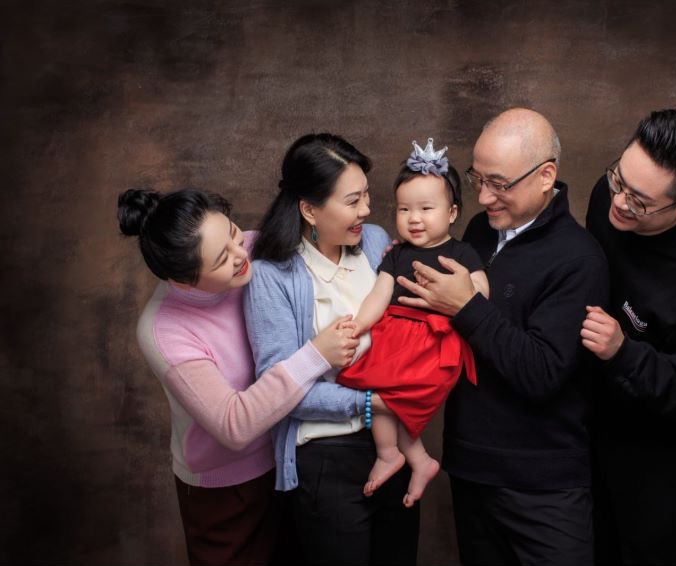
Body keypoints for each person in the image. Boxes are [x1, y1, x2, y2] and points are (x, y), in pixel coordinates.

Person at [395, 108, 609, 565]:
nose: (484, 196)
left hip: (544, 486)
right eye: (478, 179)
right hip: (471, 469)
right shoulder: (478, 230)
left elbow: (542, 372)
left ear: (546, 176)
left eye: (499, 183)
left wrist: (466, 306)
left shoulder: (579, 259)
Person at [118, 188, 359, 565]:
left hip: (293, 453)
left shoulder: (254, 245)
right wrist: (315, 356)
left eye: (232, 232)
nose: (241, 253)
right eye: (221, 259)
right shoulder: (163, 330)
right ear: (182, 280)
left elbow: (331, 245)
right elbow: (234, 425)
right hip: (227, 490)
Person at [243, 133, 419, 565]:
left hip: (395, 444)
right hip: (327, 458)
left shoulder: (375, 241)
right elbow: (277, 391)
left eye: (366, 196)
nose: (366, 210)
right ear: (309, 209)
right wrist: (370, 402)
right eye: (352, 201)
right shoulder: (272, 276)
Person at [580, 108, 676, 565]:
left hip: (661, 467)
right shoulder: (608, 196)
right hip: (593, 432)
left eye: (641, 201)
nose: (620, 202)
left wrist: (623, 352)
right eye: (619, 179)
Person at [336, 138, 489, 508]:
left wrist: (467, 297)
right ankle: (400, 455)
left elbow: (481, 292)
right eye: (404, 209)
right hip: (394, 337)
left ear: (452, 213)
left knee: (395, 397)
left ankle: (405, 456)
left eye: (426, 208)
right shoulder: (396, 254)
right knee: (377, 387)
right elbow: (379, 294)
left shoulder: (461, 252)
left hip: (435, 342)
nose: (414, 218)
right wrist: (359, 324)